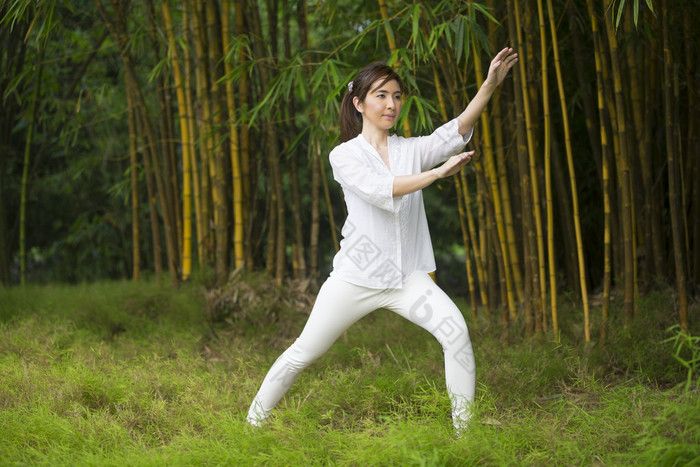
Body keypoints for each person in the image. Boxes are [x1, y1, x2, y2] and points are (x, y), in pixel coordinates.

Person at [247, 47, 518, 433]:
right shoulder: (344, 156)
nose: (391, 104)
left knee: (456, 334)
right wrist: (438, 175)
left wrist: (489, 87)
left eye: (396, 95)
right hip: (358, 274)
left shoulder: (409, 149)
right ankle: (251, 425)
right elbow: (383, 189)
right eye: (381, 95)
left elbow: (453, 131)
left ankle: (465, 434)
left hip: (407, 276)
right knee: (303, 352)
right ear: (358, 103)